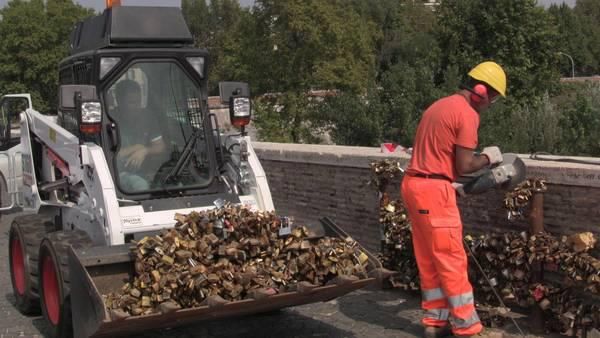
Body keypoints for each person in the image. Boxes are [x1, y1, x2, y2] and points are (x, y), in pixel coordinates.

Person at [400, 61, 507, 338]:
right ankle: (467, 328)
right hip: (433, 192)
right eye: (493, 98)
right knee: (451, 259)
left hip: (414, 185)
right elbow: (464, 165)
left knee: (428, 258)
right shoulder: (467, 114)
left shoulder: (439, 105)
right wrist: (488, 157)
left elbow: (439, 156)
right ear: (482, 92)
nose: (490, 104)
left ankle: (434, 322)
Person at [113, 79, 166, 192]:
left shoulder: (147, 117)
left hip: (146, 171)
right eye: (132, 102)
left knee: (176, 185)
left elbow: (160, 146)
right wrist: (137, 147)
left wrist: (145, 151)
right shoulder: (110, 120)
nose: (137, 106)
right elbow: (110, 156)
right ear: (119, 101)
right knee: (140, 186)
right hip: (118, 174)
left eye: (138, 102)